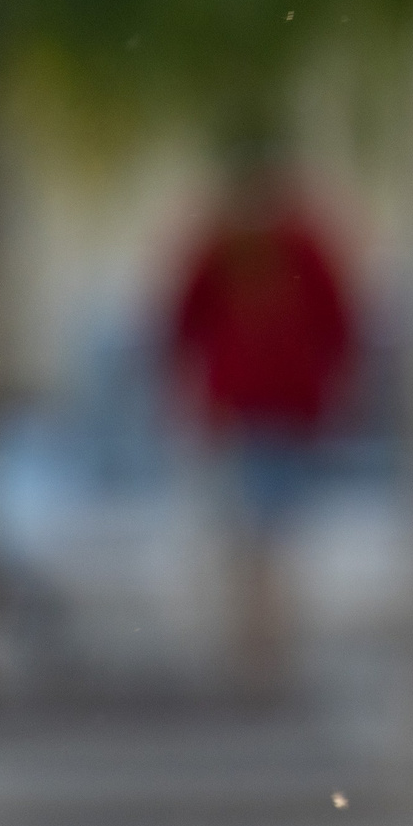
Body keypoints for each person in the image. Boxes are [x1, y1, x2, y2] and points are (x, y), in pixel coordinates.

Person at [167, 169, 356, 695]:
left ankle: (259, 642)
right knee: (265, 532)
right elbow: (339, 322)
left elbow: (180, 321)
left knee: (258, 532)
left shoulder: (246, 243)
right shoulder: (278, 243)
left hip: (262, 408)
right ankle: (264, 642)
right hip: (265, 409)